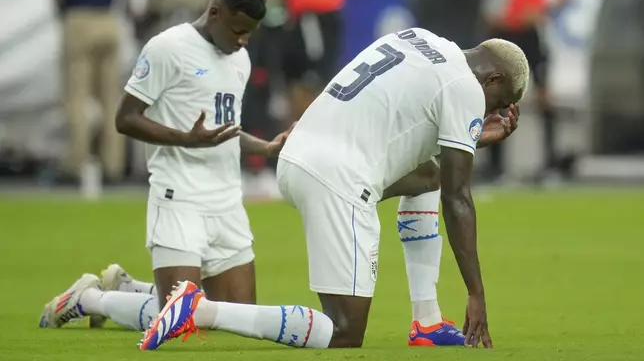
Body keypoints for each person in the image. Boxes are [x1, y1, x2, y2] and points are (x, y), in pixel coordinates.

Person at [135, 28, 528, 350]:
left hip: (298, 155)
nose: (490, 111)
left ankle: (426, 320)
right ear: (492, 79)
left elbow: (426, 153)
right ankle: (198, 311)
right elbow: (458, 197)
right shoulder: (465, 89)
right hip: (337, 179)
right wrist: (475, 293)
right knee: (343, 331)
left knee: (429, 175)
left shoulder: (419, 38)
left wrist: (470, 136)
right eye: (499, 101)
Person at [38, 0, 293, 330]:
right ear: (215, 12)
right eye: (238, 29)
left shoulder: (240, 60)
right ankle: (88, 299)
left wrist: (265, 147)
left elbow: (226, 130)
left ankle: (126, 288)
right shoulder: (167, 48)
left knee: (234, 315)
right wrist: (185, 139)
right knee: (181, 318)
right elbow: (125, 119)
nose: (243, 39)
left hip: (227, 203)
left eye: (250, 31)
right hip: (180, 199)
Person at [481, 0, 568, 182]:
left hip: (530, 34)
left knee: (544, 97)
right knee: (496, 99)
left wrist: (543, 10)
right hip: (502, 34)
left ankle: (550, 165)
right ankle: (496, 168)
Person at [53, 0, 134, 184]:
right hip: (108, 20)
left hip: (79, 18)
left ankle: (76, 163)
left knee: (76, 98)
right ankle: (113, 166)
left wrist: (62, 14)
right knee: (110, 100)